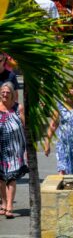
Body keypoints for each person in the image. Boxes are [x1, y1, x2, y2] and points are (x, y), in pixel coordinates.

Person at [0, 82, 27, 219]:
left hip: (15, 148)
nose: (5, 94)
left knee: (11, 177)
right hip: (0, 148)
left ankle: (10, 205)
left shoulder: (18, 108)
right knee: (1, 178)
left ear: (12, 94)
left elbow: (25, 127)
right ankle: (4, 203)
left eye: (7, 92)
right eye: (3, 92)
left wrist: (27, 147)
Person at [44, 88, 73, 175]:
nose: (67, 93)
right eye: (65, 92)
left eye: (70, 91)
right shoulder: (59, 106)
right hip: (63, 143)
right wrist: (47, 142)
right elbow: (53, 125)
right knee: (62, 170)